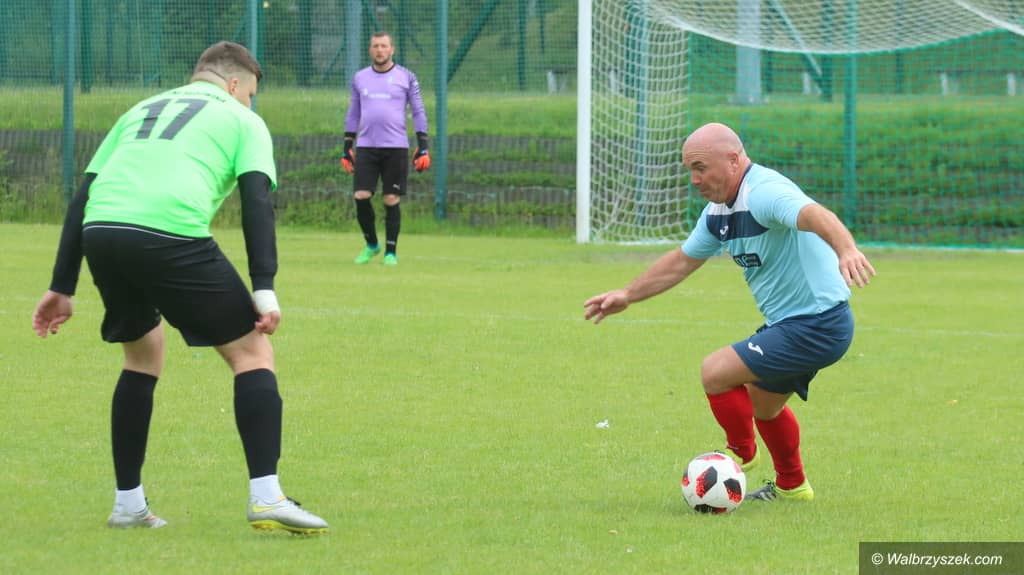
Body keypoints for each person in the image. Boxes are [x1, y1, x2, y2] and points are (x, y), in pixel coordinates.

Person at [31, 41, 328, 533]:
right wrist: (264, 288)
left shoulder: (141, 109)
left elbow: (84, 194)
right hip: (168, 230)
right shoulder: (243, 120)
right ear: (234, 84)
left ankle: (128, 505)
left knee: (142, 354)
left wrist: (63, 285)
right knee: (252, 353)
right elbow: (257, 202)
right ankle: (267, 498)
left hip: (103, 231)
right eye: (251, 94)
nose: (251, 103)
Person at [584, 122, 876, 502]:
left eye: (701, 168)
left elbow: (814, 214)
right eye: (690, 169)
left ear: (734, 160)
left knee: (715, 371)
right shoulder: (718, 213)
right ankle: (793, 487)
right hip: (797, 324)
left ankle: (740, 453)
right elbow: (681, 262)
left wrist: (846, 249)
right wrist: (628, 294)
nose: (694, 179)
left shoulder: (763, 192)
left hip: (818, 323)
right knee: (763, 405)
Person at [340, 31, 430, 266]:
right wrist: (347, 146)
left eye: (383, 46)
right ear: (370, 50)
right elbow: (353, 113)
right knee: (361, 196)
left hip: (396, 147)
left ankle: (391, 252)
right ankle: (372, 244)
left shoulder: (406, 77)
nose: (379, 50)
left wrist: (423, 145)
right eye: (375, 46)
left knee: (391, 198)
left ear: (392, 49)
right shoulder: (360, 78)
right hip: (366, 146)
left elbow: (418, 111)